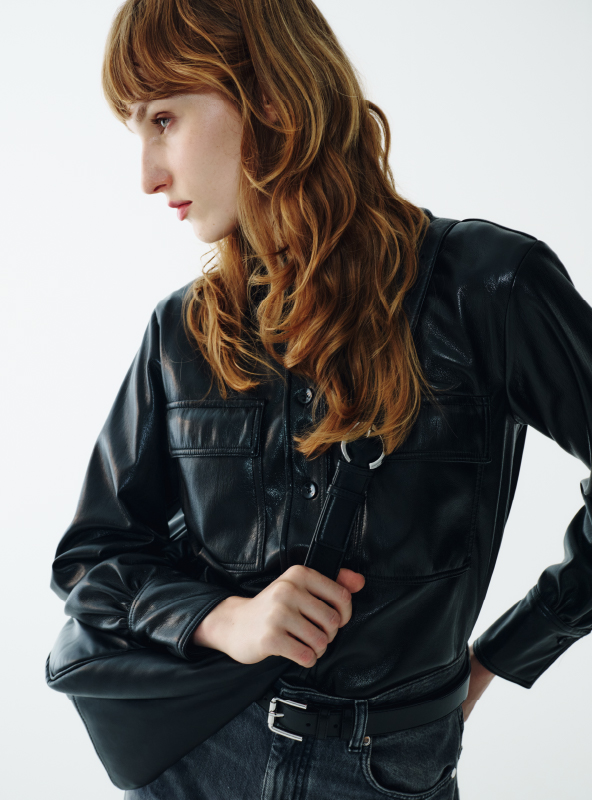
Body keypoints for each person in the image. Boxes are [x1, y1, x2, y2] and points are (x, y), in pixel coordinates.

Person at [49, 1, 592, 798]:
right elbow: (93, 558)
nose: (148, 176)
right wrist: (223, 619)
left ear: (271, 98)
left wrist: (501, 655)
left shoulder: (486, 285)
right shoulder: (183, 331)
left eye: (164, 119)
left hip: (383, 773)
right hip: (197, 758)